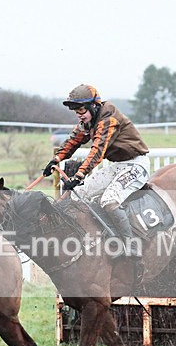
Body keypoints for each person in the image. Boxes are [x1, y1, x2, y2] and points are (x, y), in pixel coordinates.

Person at [42, 84, 150, 257]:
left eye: (81, 110)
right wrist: (55, 160)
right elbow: (73, 141)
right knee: (79, 193)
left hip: (136, 165)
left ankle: (131, 246)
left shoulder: (108, 119)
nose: (79, 115)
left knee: (109, 200)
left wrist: (78, 175)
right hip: (118, 166)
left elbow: (97, 150)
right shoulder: (89, 119)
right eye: (76, 112)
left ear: (94, 105)